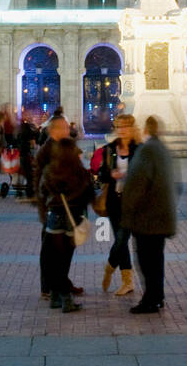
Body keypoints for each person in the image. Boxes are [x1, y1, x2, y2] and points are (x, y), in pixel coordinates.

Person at [120, 116, 179, 314]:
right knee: (156, 259)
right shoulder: (163, 150)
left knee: (146, 260)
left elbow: (136, 183)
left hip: (147, 218)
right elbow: (177, 186)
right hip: (162, 216)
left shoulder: (146, 151)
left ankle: (150, 299)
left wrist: (127, 210)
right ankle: (157, 296)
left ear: (144, 129)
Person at [39, 137, 95, 312]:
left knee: (53, 259)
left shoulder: (50, 170)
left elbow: (42, 191)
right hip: (74, 218)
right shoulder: (80, 172)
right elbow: (90, 195)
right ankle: (66, 300)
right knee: (64, 261)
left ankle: (56, 297)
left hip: (54, 217)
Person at [96, 113, 137, 295]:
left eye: (126, 126)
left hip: (132, 202)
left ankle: (109, 267)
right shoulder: (110, 149)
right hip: (113, 201)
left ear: (132, 128)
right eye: (120, 126)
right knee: (120, 241)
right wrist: (110, 175)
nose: (123, 130)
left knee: (122, 239)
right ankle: (127, 281)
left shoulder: (139, 149)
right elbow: (101, 174)